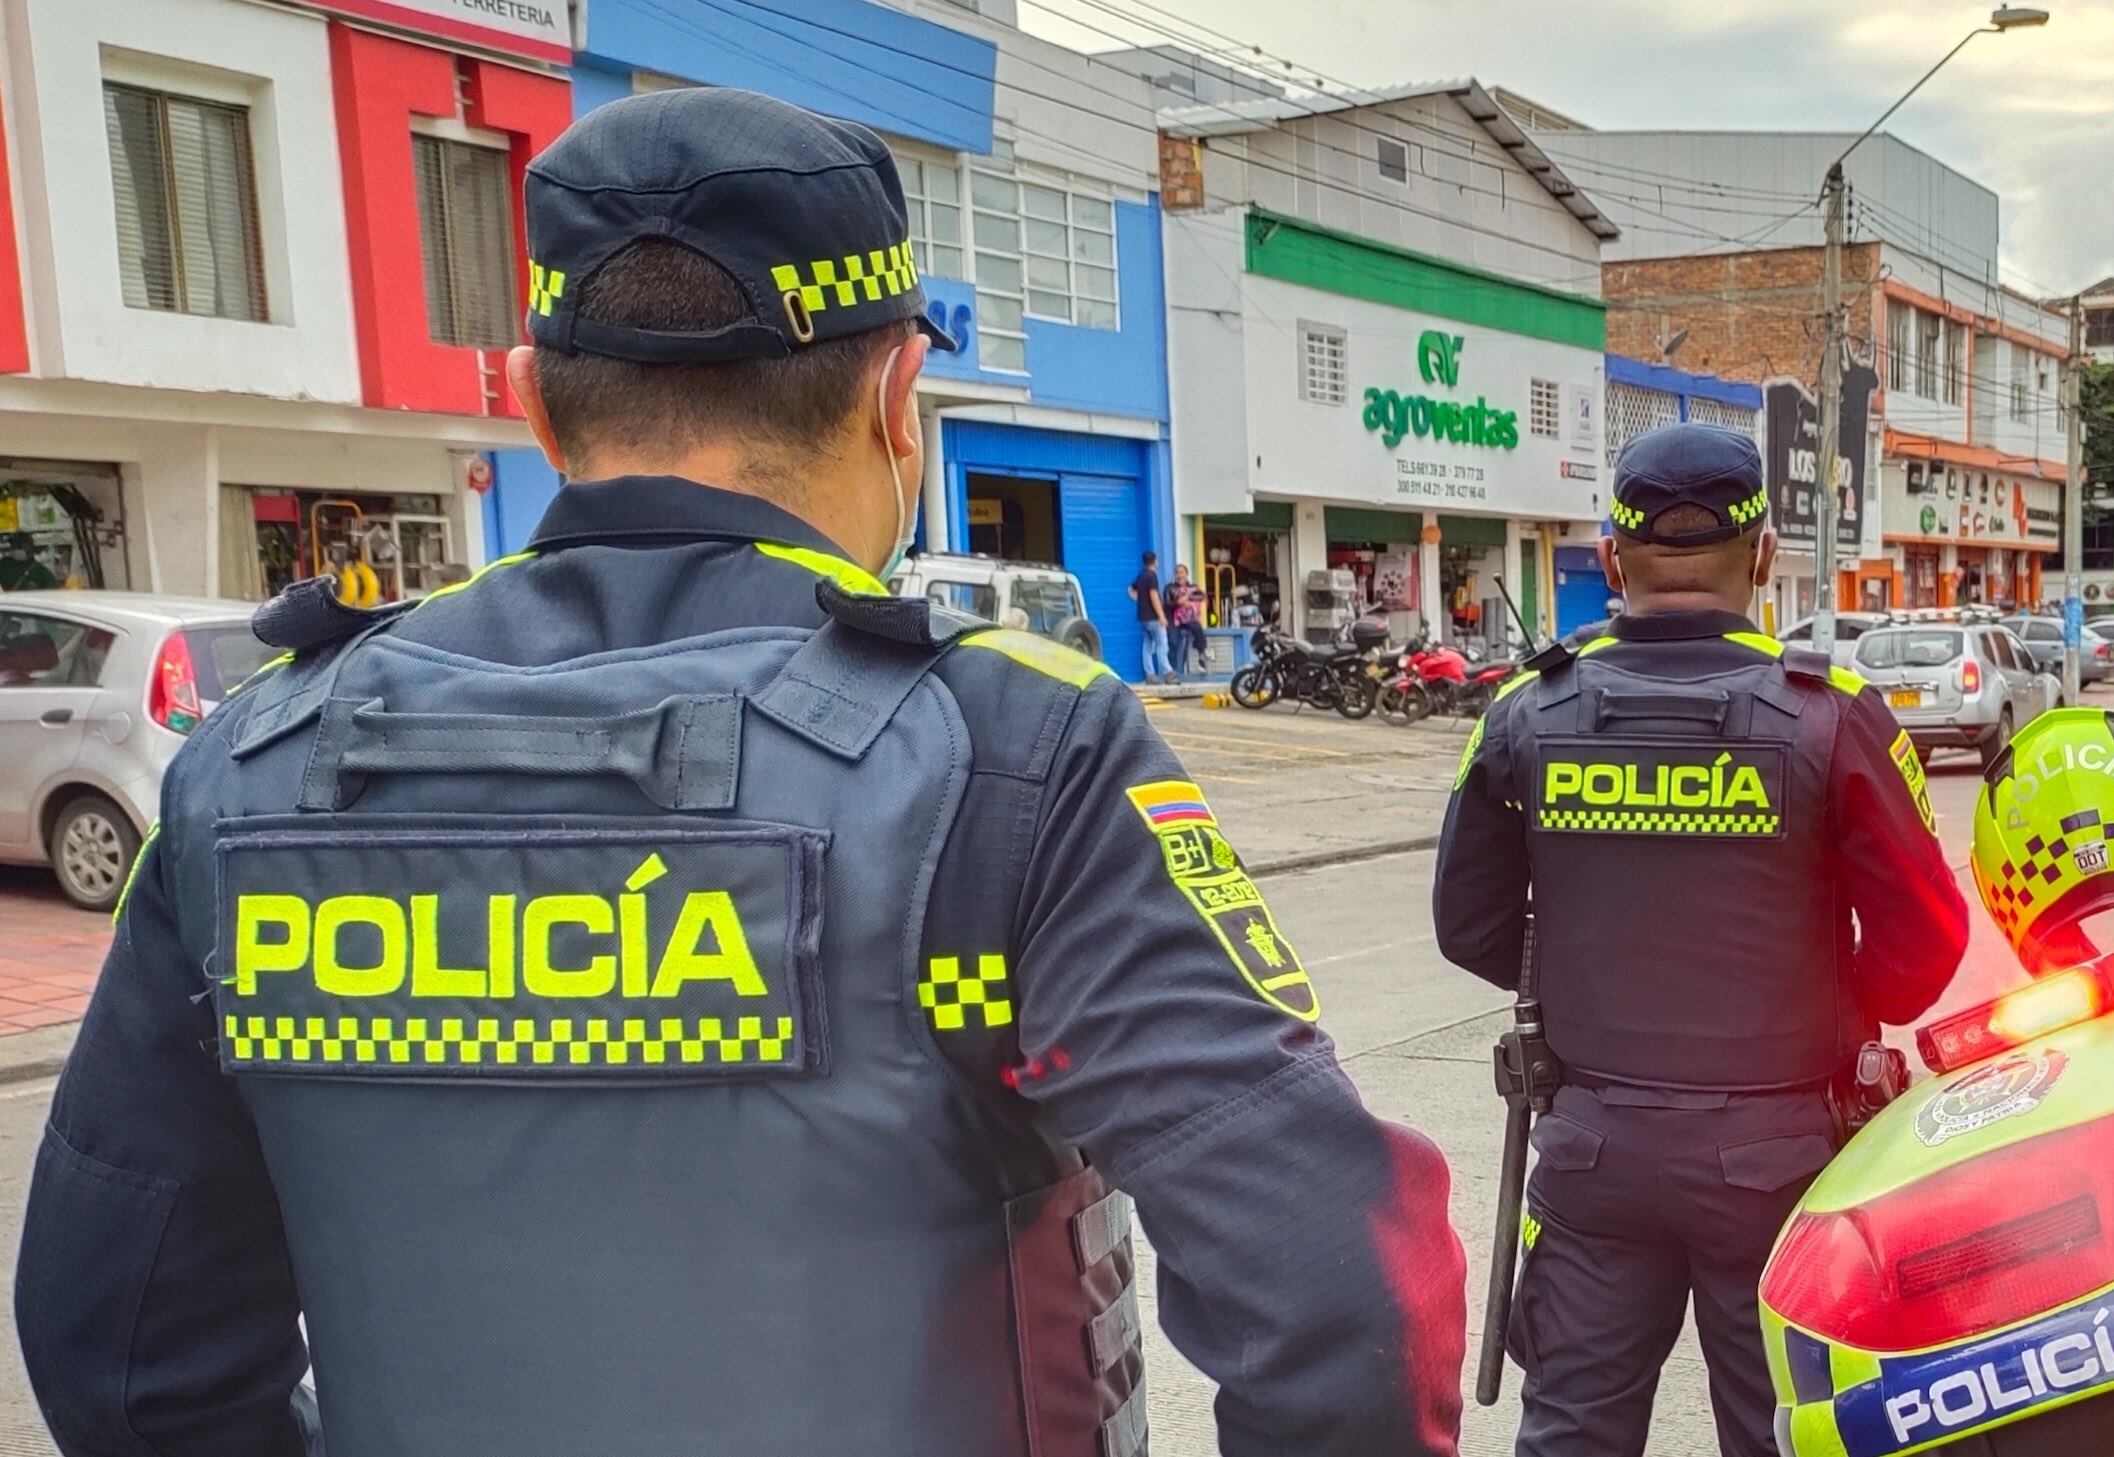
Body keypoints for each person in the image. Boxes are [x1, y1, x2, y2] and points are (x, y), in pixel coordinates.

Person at [16, 87, 1468, 1457]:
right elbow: (1338, 1294)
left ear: (533, 403)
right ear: (900, 394)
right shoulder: (1013, 750)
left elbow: (120, 1344)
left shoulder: (252, 759)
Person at [1432, 422, 1968, 1457]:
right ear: (1763, 553)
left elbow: (1469, 925)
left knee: (1571, 1435)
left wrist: (1586, 976)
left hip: (1590, 1151)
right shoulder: (1831, 714)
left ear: (1610, 556)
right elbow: (1923, 948)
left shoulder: (1525, 711)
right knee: (1785, 1433)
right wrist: (1809, 996)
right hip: (1782, 1161)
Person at [1130, 549, 1175, 683]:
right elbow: (1154, 596)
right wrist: (1161, 616)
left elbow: (1130, 589)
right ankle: (1167, 673)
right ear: (1155, 561)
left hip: (1143, 617)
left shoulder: (1141, 575)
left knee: (1147, 646)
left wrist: (1140, 601)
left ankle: (1150, 674)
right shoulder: (1152, 576)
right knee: (1162, 644)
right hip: (1153, 617)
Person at [1165, 561, 1208, 676]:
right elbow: (1168, 603)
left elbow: (1201, 596)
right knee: (1173, 643)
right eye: (1177, 573)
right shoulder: (1170, 587)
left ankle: (1201, 655)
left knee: (1197, 627)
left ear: (1187, 574)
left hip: (1188, 618)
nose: (1179, 575)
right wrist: (1181, 601)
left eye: (1182, 572)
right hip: (1173, 620)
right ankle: (1172, 672)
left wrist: (1188, 600)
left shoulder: (1193, 587)